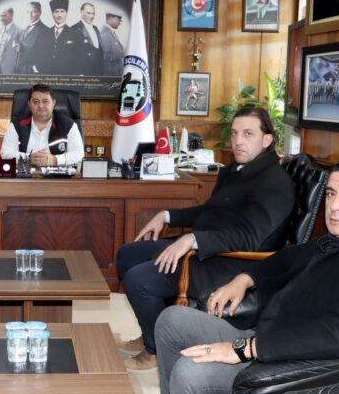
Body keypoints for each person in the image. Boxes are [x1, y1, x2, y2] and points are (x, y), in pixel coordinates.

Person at [154, 157, 339, 394]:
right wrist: (244, 279)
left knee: (190, 374)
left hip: (298, 368)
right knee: (172, 320)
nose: (335, 206)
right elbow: (289, 257)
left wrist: (244, 349)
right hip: (270, 337)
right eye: (330, 194)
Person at [117, 107, 295, 372]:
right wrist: (166, 216)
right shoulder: (236, 171)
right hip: (207, 247)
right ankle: (151, 331)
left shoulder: (274, 183)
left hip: (232, 262)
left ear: (266, 140)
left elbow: (249, 238)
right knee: (127, 254)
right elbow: (209, 211)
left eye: (248, 134)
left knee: (139, 280)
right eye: (234, 133)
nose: (238, 141)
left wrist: (192, 239)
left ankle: (155, 351)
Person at [0, 83, 84, 167]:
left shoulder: (68, 125)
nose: (40, 106)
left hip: (58, 174)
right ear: (29, 104)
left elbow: (79, 154)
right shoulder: (17, 124)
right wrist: (28, 158)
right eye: (36, 102)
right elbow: (5, 152)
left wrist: (55, 160)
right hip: (26, 174)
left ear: (53, 103)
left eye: (45, 101)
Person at [42, 0, 77, 75]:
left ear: (66, 13)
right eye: (56, 11)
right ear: (52, 14)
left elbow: (79, 58)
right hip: (47, 75)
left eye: (62, 11)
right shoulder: (43, 34)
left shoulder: (75, 34)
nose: (59, 15)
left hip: (67, 75)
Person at [15, 2, 50, 74]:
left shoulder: (45, 31)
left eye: (33, 12)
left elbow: (45, 56)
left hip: (30, 73)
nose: (30, 15)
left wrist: (33, 69)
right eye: (28, 12)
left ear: (40, 13)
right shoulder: (26, 28)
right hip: (18, 71)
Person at [71, 2, 103, 76]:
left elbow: (99, 51)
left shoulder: (95, 28)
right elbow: (72, 55)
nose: (91, 16)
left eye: (93, 13)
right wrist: (78, 73)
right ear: (81, 12)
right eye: (88, 13)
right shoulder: (74, 29)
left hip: (98, 70)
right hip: (84, 72)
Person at [99, 12, 125, 77]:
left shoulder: (110, 32)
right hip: (110, 75)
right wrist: (120, 54)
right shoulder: (105, 34)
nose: (120, 23)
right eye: (118, 20)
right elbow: (103, 56)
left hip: (115, 74)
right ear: (111, 19)